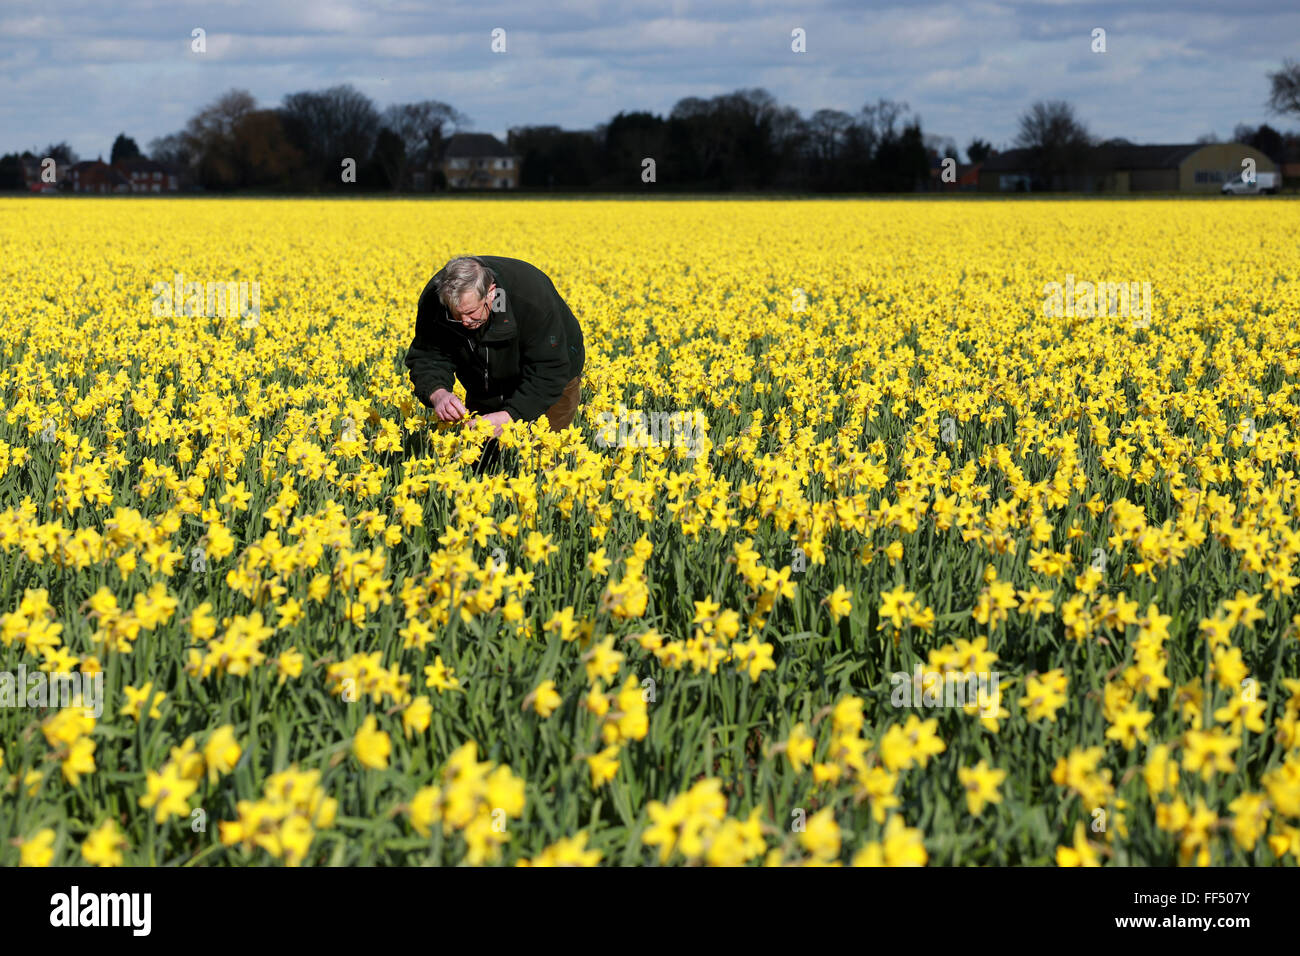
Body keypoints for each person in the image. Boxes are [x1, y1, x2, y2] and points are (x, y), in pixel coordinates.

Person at [405, 255, 585, 471]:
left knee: (541, 462)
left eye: (471, 313)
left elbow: (549, 371)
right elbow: (427, 356)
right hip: (483, 373)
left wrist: (511, 415)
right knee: (480, 462)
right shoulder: (436, 301)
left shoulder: (529, 297)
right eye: (456, 316)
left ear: (491, 293)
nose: (465, 322)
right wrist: (438, 393)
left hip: (554, 375)